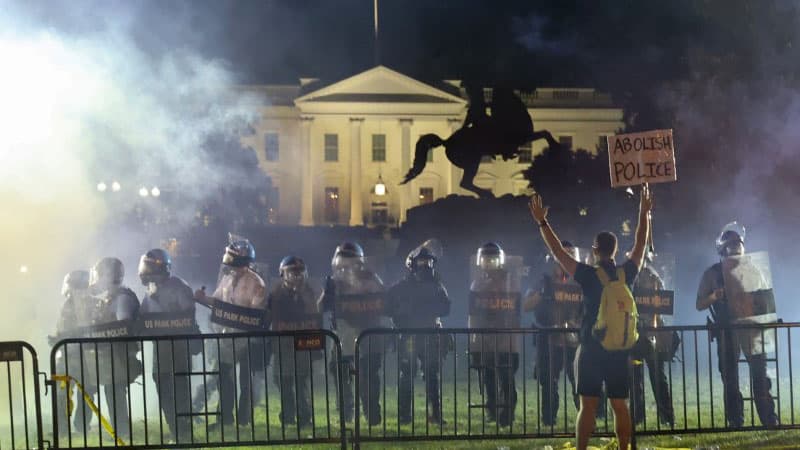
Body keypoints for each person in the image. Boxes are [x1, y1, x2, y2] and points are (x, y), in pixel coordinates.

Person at [528, 184, 652, 450]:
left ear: (595, 250)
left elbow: (558, 253)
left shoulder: (587, 275)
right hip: (620, 349)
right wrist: (645, 212)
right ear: (616, 251)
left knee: (587, 407)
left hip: (592, 347)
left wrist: (542, 222)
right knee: (620, 406)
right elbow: (641, 243)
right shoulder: (626, 273)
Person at [696, 225, 778, 427]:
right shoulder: (713, 274)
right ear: (723, 250)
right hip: (727, 331)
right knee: (730, 378)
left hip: (753, 329)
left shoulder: (753, 270)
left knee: (760, 375)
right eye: (731, 248)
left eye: (737, 247)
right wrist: (714, 296)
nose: (735, 251)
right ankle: (735, 419)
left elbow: (766, 298)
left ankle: (769, 418)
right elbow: (699, 304)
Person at [194, 236, 267, 429]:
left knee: (245, 382)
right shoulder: (226, 279)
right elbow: (219, 302)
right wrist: (203, 298)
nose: (231, 268)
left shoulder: (256, 284)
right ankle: (224, 419)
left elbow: (256, 314)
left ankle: (244, 419)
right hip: (227, 338)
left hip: (247, 339)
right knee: (223, 379)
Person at [318, 242, 389, 425]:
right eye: (344, 262)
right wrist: (328, 291)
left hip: (368, 332)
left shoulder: (370, 279)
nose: (347, 267)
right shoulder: (334, 282)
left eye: (351, 262)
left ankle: (372, 412)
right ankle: (346, 413)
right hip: (343, 334)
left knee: (369, 374)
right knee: (340, 372)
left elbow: (384, 300)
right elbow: (321, 307)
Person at [387, 243, 451, 425]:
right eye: (422, 261)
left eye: (429, 262)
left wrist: (427, 309)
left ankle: (436, 415)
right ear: (412, 264)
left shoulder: (437, 285)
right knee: (407, 374)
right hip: (408, 336)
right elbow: (388, 306)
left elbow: (446, 307)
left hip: (430, 335)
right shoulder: (401, 287)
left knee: (432, 375)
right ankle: (405, 416)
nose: (426, 266)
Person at [138, 248, 197, 442]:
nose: (144, 271)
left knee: (180, 390)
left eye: (148, 266)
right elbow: (144, 316)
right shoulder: (151, 290)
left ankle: (185, 433)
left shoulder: (179, 287)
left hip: (178, 346)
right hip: (161, 348)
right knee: (163, 388)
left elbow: (188, 316)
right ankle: (174, 429)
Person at [523, 241, 581, 427]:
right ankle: (549, 419)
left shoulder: (580, 282)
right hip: (549, 339)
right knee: (548, 382)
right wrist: (542, 294)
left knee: (580, 382)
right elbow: (525, 305)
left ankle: (587, 418)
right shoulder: (543, 281)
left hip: (574, 340)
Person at [86, 257, 141, 443]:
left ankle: (122, 433)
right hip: (112, 355)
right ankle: (119, 431)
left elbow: (123, 325)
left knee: (115, 392)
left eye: (100, 275)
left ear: (107, 276)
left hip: (119, 355)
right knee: (112, 392)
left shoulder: (122, 298)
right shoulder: (113, 297)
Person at [468, 242, 522, 427]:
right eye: (486, 260)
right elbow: (473, 315)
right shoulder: (477, 284)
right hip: (485, 339)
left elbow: (516, 313)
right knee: (489, 377)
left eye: (492, 260)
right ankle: (492, 410)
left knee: (506, 378)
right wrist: (474, 342)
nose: (489, 264)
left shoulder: (510, 282)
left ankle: (507, 414)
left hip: (506, 340)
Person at [267, 256, 321, 427]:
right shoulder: (276, 294)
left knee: (301, 381)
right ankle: (288, 415)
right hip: (283, 345)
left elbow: (315, 315)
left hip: (302, 344)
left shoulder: (310, 292)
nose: (296, 276)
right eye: (292, 272)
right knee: (282, 380)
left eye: (299, 272)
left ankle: (305, 417)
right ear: (283, 274)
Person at [630, 253, 675, 427]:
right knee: (638, 378)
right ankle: (642, 416)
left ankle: (664, 416)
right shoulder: (633, 276)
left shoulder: (652, 277)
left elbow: (661, 304)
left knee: (656, 377)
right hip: (637, 333)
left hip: (650, 333)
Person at [51, 270, 95, 437]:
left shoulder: (90, 304)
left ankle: (81, 426)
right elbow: (62, 328)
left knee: (87, 393)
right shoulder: (67, 304)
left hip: (83, 357)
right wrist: (57, 338)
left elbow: (86, 329)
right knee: (62, 393)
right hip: (67, 356)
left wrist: (61, 338)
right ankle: (63, 429)